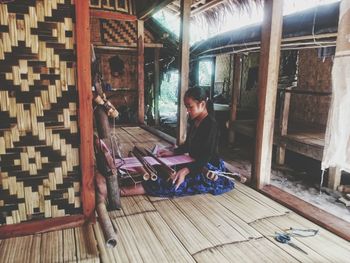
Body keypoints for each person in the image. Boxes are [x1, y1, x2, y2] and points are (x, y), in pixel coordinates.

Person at [120, 87, 234, 197]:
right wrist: (174, 152)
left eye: (190, 107)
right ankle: (124, 184)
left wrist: (185, 171)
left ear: (202, 104)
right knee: (164, 171)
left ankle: (121, 191)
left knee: (171, 182)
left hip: (206, 166)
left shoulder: (211, 125)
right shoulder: (195, 121)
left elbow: (206, 156)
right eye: (186, 107)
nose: (188, 111)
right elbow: (189, 145)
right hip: (193, 162)